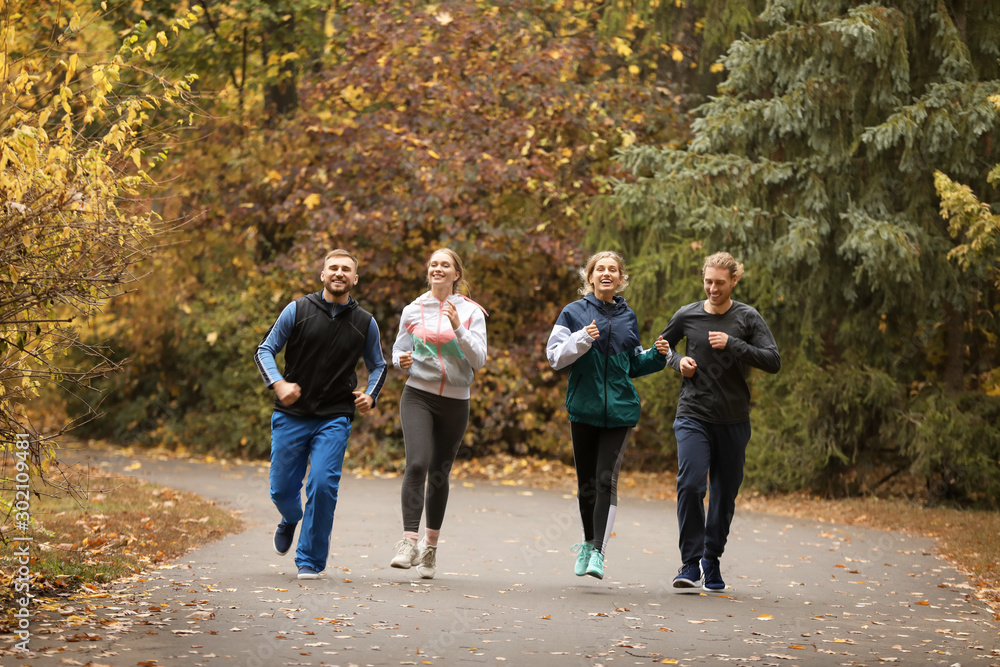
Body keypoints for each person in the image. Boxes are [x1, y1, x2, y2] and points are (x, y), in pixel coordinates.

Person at [254, 249, 387, 580]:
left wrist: (371, 395)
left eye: (346, 269)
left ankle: (310, 560)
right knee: (282, 490)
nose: (339, 273)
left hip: (334, 416)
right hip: (292, 414)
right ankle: (290, 518)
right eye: (333, 268)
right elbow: (264, 350)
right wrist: (279, 383)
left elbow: (379, 365)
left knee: (323, 483)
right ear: (323, 274)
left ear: (355, 279)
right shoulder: (297, 310)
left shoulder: (364, 322)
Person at [658, 251, 780, 591]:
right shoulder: (688, 314)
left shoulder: (747, 317)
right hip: (693, 413)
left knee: (724, 495)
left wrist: (734, 344)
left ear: (734, 281)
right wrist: (678, 361)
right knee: (691, 484)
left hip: (733, 420)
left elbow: (773, 360)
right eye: (708, 281)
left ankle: (712, 559)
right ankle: (689, 563)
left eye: (720, 283)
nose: (713, 288)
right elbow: (661, 346)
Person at [545, 250, 670, 580]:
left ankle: (599, 551)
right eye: (600, 269)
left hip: (620, 410)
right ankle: (587, 543)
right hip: (583, 408)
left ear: (620, 279)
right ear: (590, 277)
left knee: (605, 479)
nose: (606, 273)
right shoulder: (572, 313)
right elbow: (556, 358)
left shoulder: (628, 317)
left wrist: (656, 359)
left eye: (613, 270)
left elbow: (631, 364)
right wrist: (583, 338)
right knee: (585, 483)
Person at [389, 248, 488, 579]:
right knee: (417, 463)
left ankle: (430, 548)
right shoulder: (413, 309)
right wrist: (400, 360)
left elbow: (479, 359)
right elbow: (399, 348)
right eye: (433, 264)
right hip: (418, 394)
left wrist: (459, 327)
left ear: (456, 274)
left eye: (445, 265)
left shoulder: (472, 311)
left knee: (440, 473)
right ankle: (408, 542)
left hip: (456, 401)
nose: (437, 269)